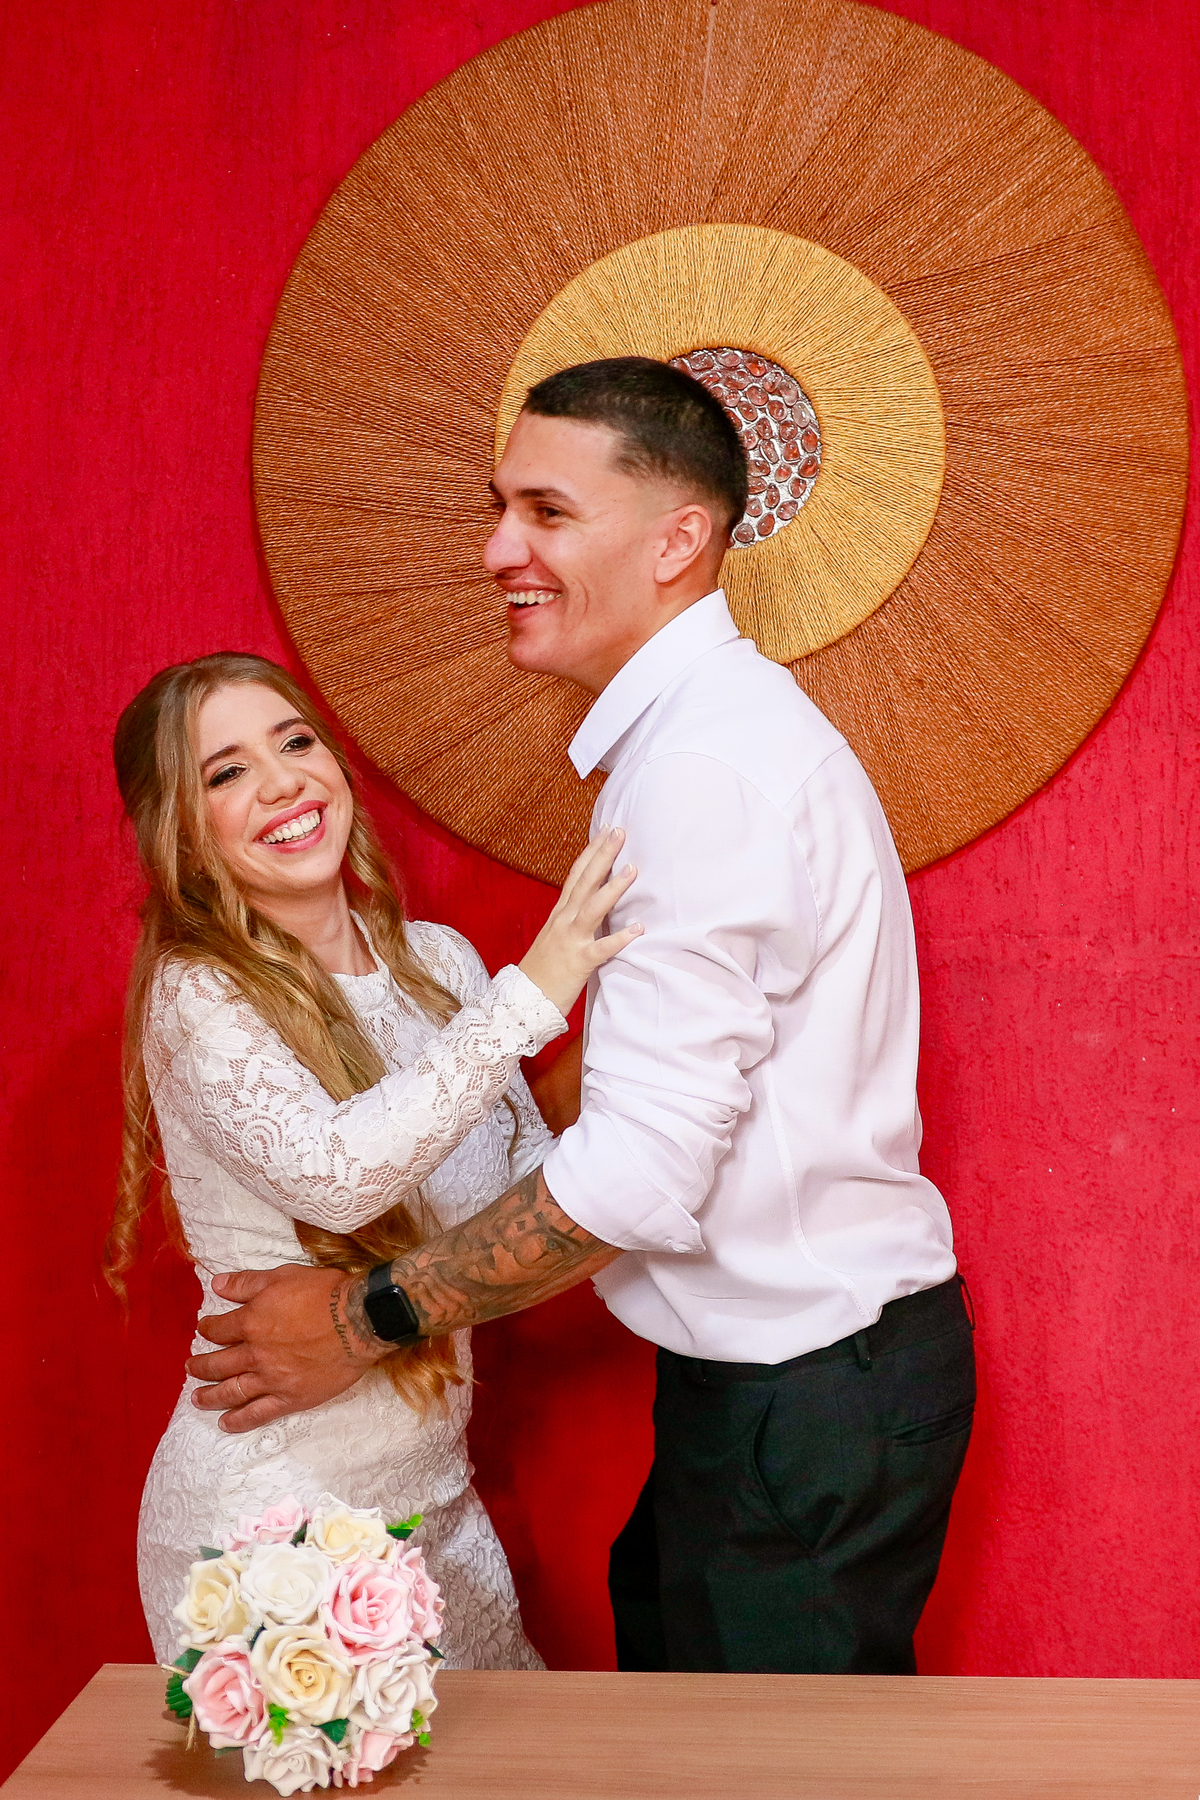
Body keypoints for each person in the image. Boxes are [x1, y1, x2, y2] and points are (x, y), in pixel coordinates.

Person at [185, 359, 976, 1675]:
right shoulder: (687, 746)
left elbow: (638, 1173)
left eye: (547, 512)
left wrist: (359, 1319)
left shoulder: (701, 772)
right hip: (778, 1385)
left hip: (805, 1391)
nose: (500, 549)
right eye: (501, 509)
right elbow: (644, 1078)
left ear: (677, 541)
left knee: (758, 1766)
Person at [106, 650, 640, 1666]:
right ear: (179, 830)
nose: (283, 782)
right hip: (270, 1527)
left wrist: (641, 1025)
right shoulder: (197, 992)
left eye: (296, 741)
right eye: (227, 772)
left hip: (438, 1507)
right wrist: (532, 995)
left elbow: (528, 1193)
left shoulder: (440, 963)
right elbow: (337, 1177)